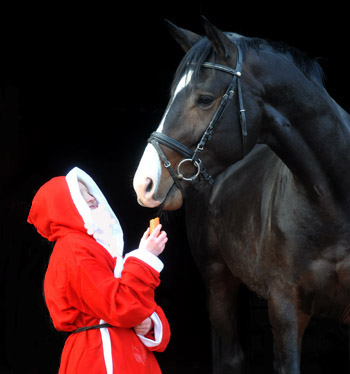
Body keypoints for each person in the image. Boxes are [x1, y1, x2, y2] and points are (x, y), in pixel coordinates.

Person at [27, 167, 170, 374]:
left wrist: (149, 323)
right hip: (100, 356)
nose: (92, 199)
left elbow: (141, 306)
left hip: (126, 352)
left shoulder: (101, 250)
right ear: (65, 206)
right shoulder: (73, 249)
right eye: (81, 196)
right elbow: (119, 305)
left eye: (90, 193)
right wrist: (144, 258)